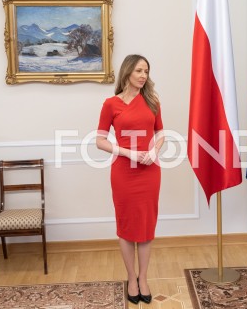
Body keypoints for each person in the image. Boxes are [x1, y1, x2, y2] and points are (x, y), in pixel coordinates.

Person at [96, 54, 164, 305]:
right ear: (127, 73)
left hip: (150, 171)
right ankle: (131, 277)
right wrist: (128, 152)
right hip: (124, 172)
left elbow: (160, 134)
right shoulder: (111, 104)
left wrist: (155, 151)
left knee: (146, 228)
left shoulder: (152, 101)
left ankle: (143, 278)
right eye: (139, 70)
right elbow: (100, 140)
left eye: (146, 71)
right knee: (126, 227)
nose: (143, 75)